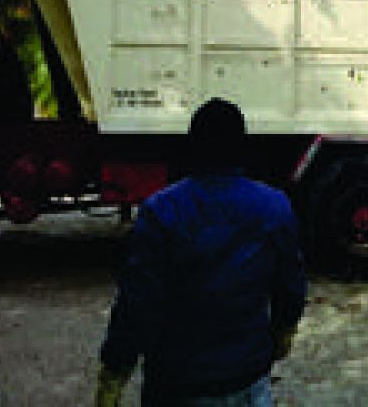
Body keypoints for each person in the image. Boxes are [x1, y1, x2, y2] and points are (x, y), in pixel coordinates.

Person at [96, 98, 306, 406]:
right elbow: (291, 285)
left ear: (192, 147)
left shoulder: (161, 210)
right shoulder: (274, 206)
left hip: (175, 383)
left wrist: (115, 369)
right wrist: (282, 332)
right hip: (246, 380)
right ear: (242, 147)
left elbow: (136, 302)